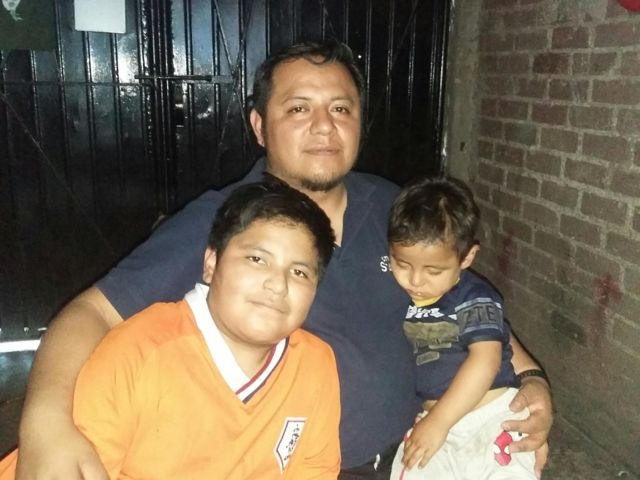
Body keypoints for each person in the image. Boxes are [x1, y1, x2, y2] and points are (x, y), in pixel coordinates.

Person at [15, 40, 552, 480]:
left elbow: (461, 295)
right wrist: (45, 424)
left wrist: (530, 381)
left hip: (419, 447)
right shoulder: (225, 221)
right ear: (259, 126)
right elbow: (92, 312)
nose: (324, 126)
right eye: (298, 109)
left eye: (340, 108)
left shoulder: (394, 206)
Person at [1, 180, 341, 479]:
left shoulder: (315, 364)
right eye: (257, 259)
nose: (278, 284)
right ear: (211, 263)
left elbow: (315, 471)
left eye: (299, 272)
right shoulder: (138, 354)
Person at [386, 176, 537, 479]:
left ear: (467, 257)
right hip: (431, 420)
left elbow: (486, 359)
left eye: (433, 271)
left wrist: (440, 421)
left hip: (491, 416)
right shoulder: (399, 297)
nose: (415, 281)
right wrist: (434, 421)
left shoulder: (475, 296)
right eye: (402, 264)